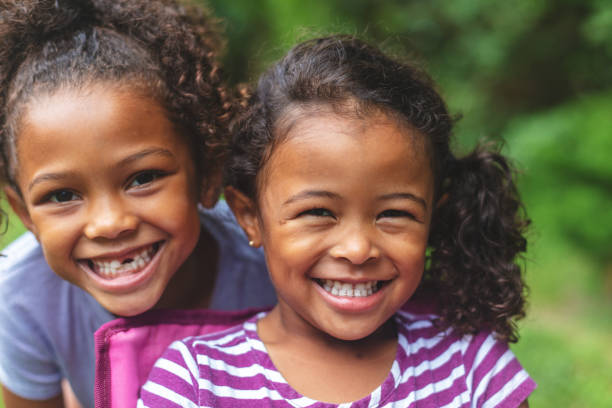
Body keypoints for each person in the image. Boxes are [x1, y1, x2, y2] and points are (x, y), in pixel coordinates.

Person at [139, 35, 536, 407]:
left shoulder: (473, 367)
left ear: (433, 217)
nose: (358, 249)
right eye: (318, 213)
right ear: (250, 217)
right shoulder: (195, 382)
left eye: (394, 214)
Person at [0, 1, 276, 407]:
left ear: (208, 171)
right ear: (24, 212)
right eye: (62, 196)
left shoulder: (273, 266)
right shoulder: (24, 298)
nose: (109, 223)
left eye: (143, 179)